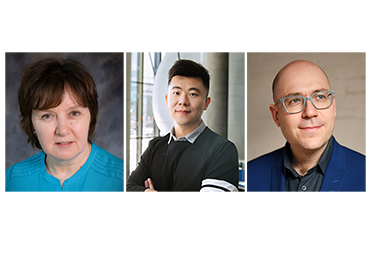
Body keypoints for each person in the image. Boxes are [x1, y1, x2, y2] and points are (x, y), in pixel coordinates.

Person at [5, 58, 125, 192]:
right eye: (47, 116)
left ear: (90, 116)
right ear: (32, 123)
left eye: (74, 113)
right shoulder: (12, 181)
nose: (62, 130)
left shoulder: (122, 180)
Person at [247, 60, 366, 192]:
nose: (310, 112)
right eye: (295, 100)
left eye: (320, 97)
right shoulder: (251, 176)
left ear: (333, 106)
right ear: (276, 116)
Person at [126, 59, 239, 192]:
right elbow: (128, 187)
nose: (183, 101)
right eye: (177, 93)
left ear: (206, 103)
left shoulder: (222, 150)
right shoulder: (154, 147)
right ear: (167, 99)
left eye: (192, 94)